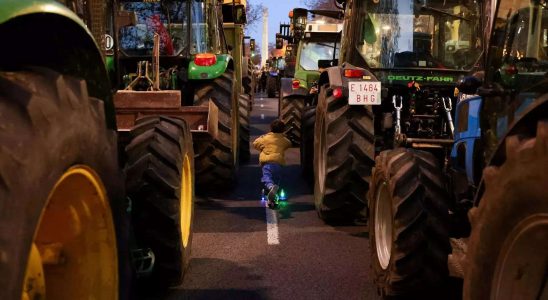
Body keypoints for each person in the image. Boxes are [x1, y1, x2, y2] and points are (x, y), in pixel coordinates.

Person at [252, 119, 292, 207]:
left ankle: (270, 187)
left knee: (267, 177)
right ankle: (274, 194)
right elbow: (289, 144)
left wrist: (262, 145)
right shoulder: (283, 140)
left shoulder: (265, 138)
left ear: (270, 128)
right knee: (277, 178)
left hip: (267, 163)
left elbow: (255, 143)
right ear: (283, 129)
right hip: (278, 163)